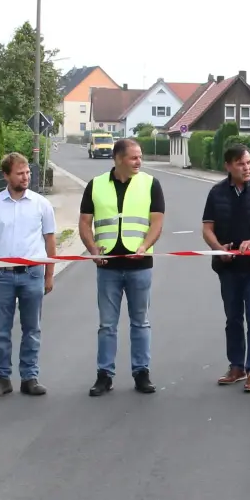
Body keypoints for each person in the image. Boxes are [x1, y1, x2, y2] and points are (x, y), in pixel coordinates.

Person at [79, 138, 165, 397]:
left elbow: (157, 222)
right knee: (107, 324)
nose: (139, 161)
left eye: (140, 157)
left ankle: (142, 373)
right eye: (134, 157)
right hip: (107, 266)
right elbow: (84, 223)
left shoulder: (151, 184)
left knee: (140, 322)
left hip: (140, 265)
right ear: (118, 159)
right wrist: (93, 250)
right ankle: (104, 375)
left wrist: (145, 245)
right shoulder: (95, 185)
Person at [0, 152, 57, 399]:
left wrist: (49, 274)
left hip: (33, 274)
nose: (26, 177)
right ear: (6, 175)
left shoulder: (41, 204)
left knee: (32, 328)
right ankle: (1, 378)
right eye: (20, 173)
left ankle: (29, 377)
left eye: (28, 173)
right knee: (1, 330)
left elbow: (50, 240)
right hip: (1, 276)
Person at [201, 144, 250, 393]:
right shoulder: (216, 193)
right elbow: (207, 228)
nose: (246, 167)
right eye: (240, 164)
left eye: (248, 163)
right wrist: (218, 248)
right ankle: (236, 367)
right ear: (228, 166)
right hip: (229, 268)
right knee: (233, 318)